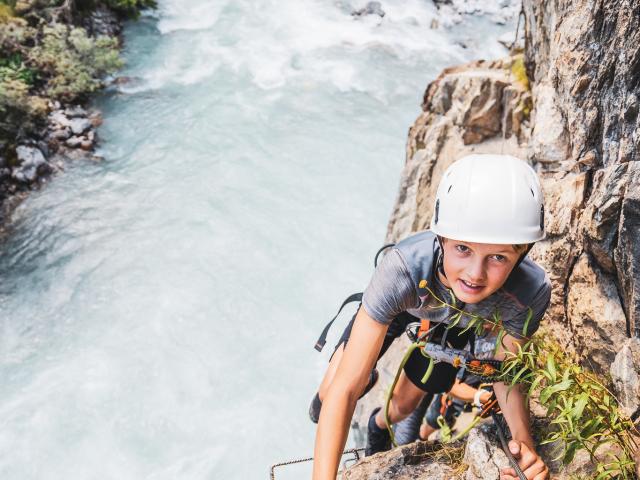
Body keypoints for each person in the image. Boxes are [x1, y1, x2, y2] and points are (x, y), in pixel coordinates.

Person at [311, 154, 551, 480]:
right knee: (331, 394)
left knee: (405, 407)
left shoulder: (530, 294)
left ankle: (375, 420)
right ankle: (364, 371)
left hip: (448, 327)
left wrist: (525, 448)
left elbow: (503, 373)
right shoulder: (403, 268)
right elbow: (345, 392)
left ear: (523, 253)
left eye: (497, 256)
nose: (474, 274)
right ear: (441, 239)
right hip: (404, 304)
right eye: (462, 249)